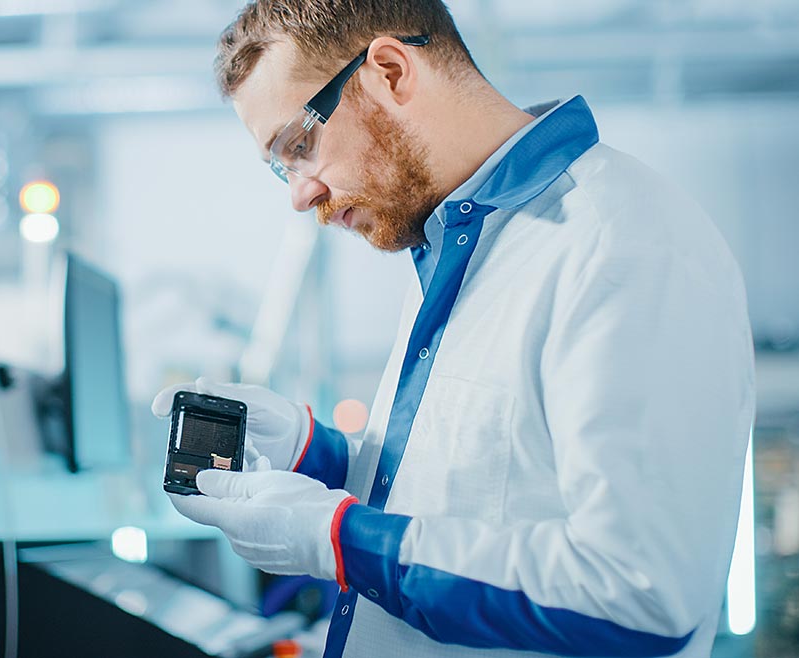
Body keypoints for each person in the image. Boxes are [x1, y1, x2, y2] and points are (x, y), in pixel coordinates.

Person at [152, 1, 756, 657]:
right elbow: (478, 496)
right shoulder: (461, 244)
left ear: (388, 71)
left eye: (298, 145)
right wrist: (314, 456)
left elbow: (639, 593)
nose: (298, 194)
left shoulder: (621, 242)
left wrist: (340, 538)